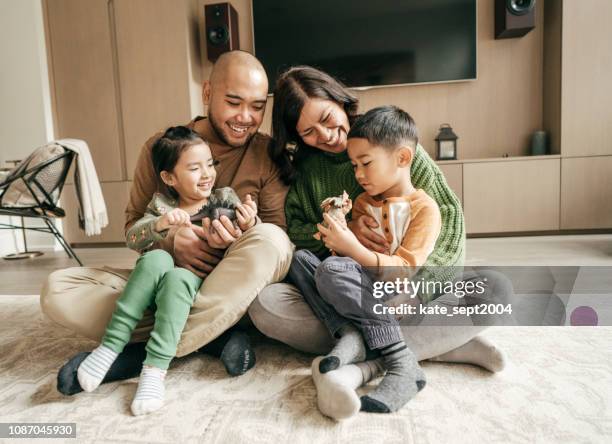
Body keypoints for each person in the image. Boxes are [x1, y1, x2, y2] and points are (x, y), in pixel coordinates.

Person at [248, 66, 511, 419]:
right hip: (347, 286)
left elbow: (448, 218)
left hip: (404, 284)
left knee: (494, 288)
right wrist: (345, 234)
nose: (326, 135)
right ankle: (441, 345)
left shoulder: (391, 142)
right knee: (266, 303)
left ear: (340, 100)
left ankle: (356, 361)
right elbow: (295, 235)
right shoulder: (305, 172)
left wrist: (419, 290)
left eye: (328, 118)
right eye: (308, 132)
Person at [41, 51, 294, 395]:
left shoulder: (268, 154)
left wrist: (235, 237)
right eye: (234, 102)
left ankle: (136, 355)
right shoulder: (162, 148)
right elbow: (132, 226)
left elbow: (278, 240)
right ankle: (210, 337)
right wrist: (171, 240)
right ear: (207, 93)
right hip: (169, 281)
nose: (245, 117)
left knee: (272, 241)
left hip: (229, 284)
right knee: (58, 290)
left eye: (257, 106)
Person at [77, 126, 259, 415]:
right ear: (169, 178)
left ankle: (154, 368)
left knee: (177, 277)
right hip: (152, 284)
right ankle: (111, 346)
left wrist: (249, 221)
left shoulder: (223, 199)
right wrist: (161, 225)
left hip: (197, 287)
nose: (207, 174)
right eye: (195, 168)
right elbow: (133, 238)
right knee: (156, 260)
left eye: (210, 164)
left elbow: (250, 239)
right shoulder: (161, 205)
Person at [290, 106, 440, 415]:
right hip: (361, 291)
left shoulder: (425, 210)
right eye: (354, 164)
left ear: (402, 158)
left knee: (332, 270)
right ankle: (350, 333)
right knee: (299, 259)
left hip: (397, 294)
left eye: (366, 163)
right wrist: (339, 236)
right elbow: (346, 269)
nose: (358, 174)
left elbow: (403, 272)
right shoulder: (361, 203)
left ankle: (400, 359)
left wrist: (352, 250)